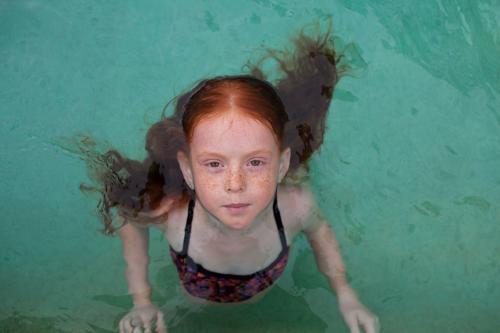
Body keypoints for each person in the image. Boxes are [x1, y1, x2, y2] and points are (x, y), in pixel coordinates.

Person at [75, 26, 380, 333]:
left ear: (282, 163)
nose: (235, 183)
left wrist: (345, 294)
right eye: (214, 164)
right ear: (188, 169)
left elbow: (320, 233)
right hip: (191, 305)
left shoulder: (295, 206)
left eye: (256, 162)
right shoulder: (172, 213)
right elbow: (132, 221)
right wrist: (142, 299)